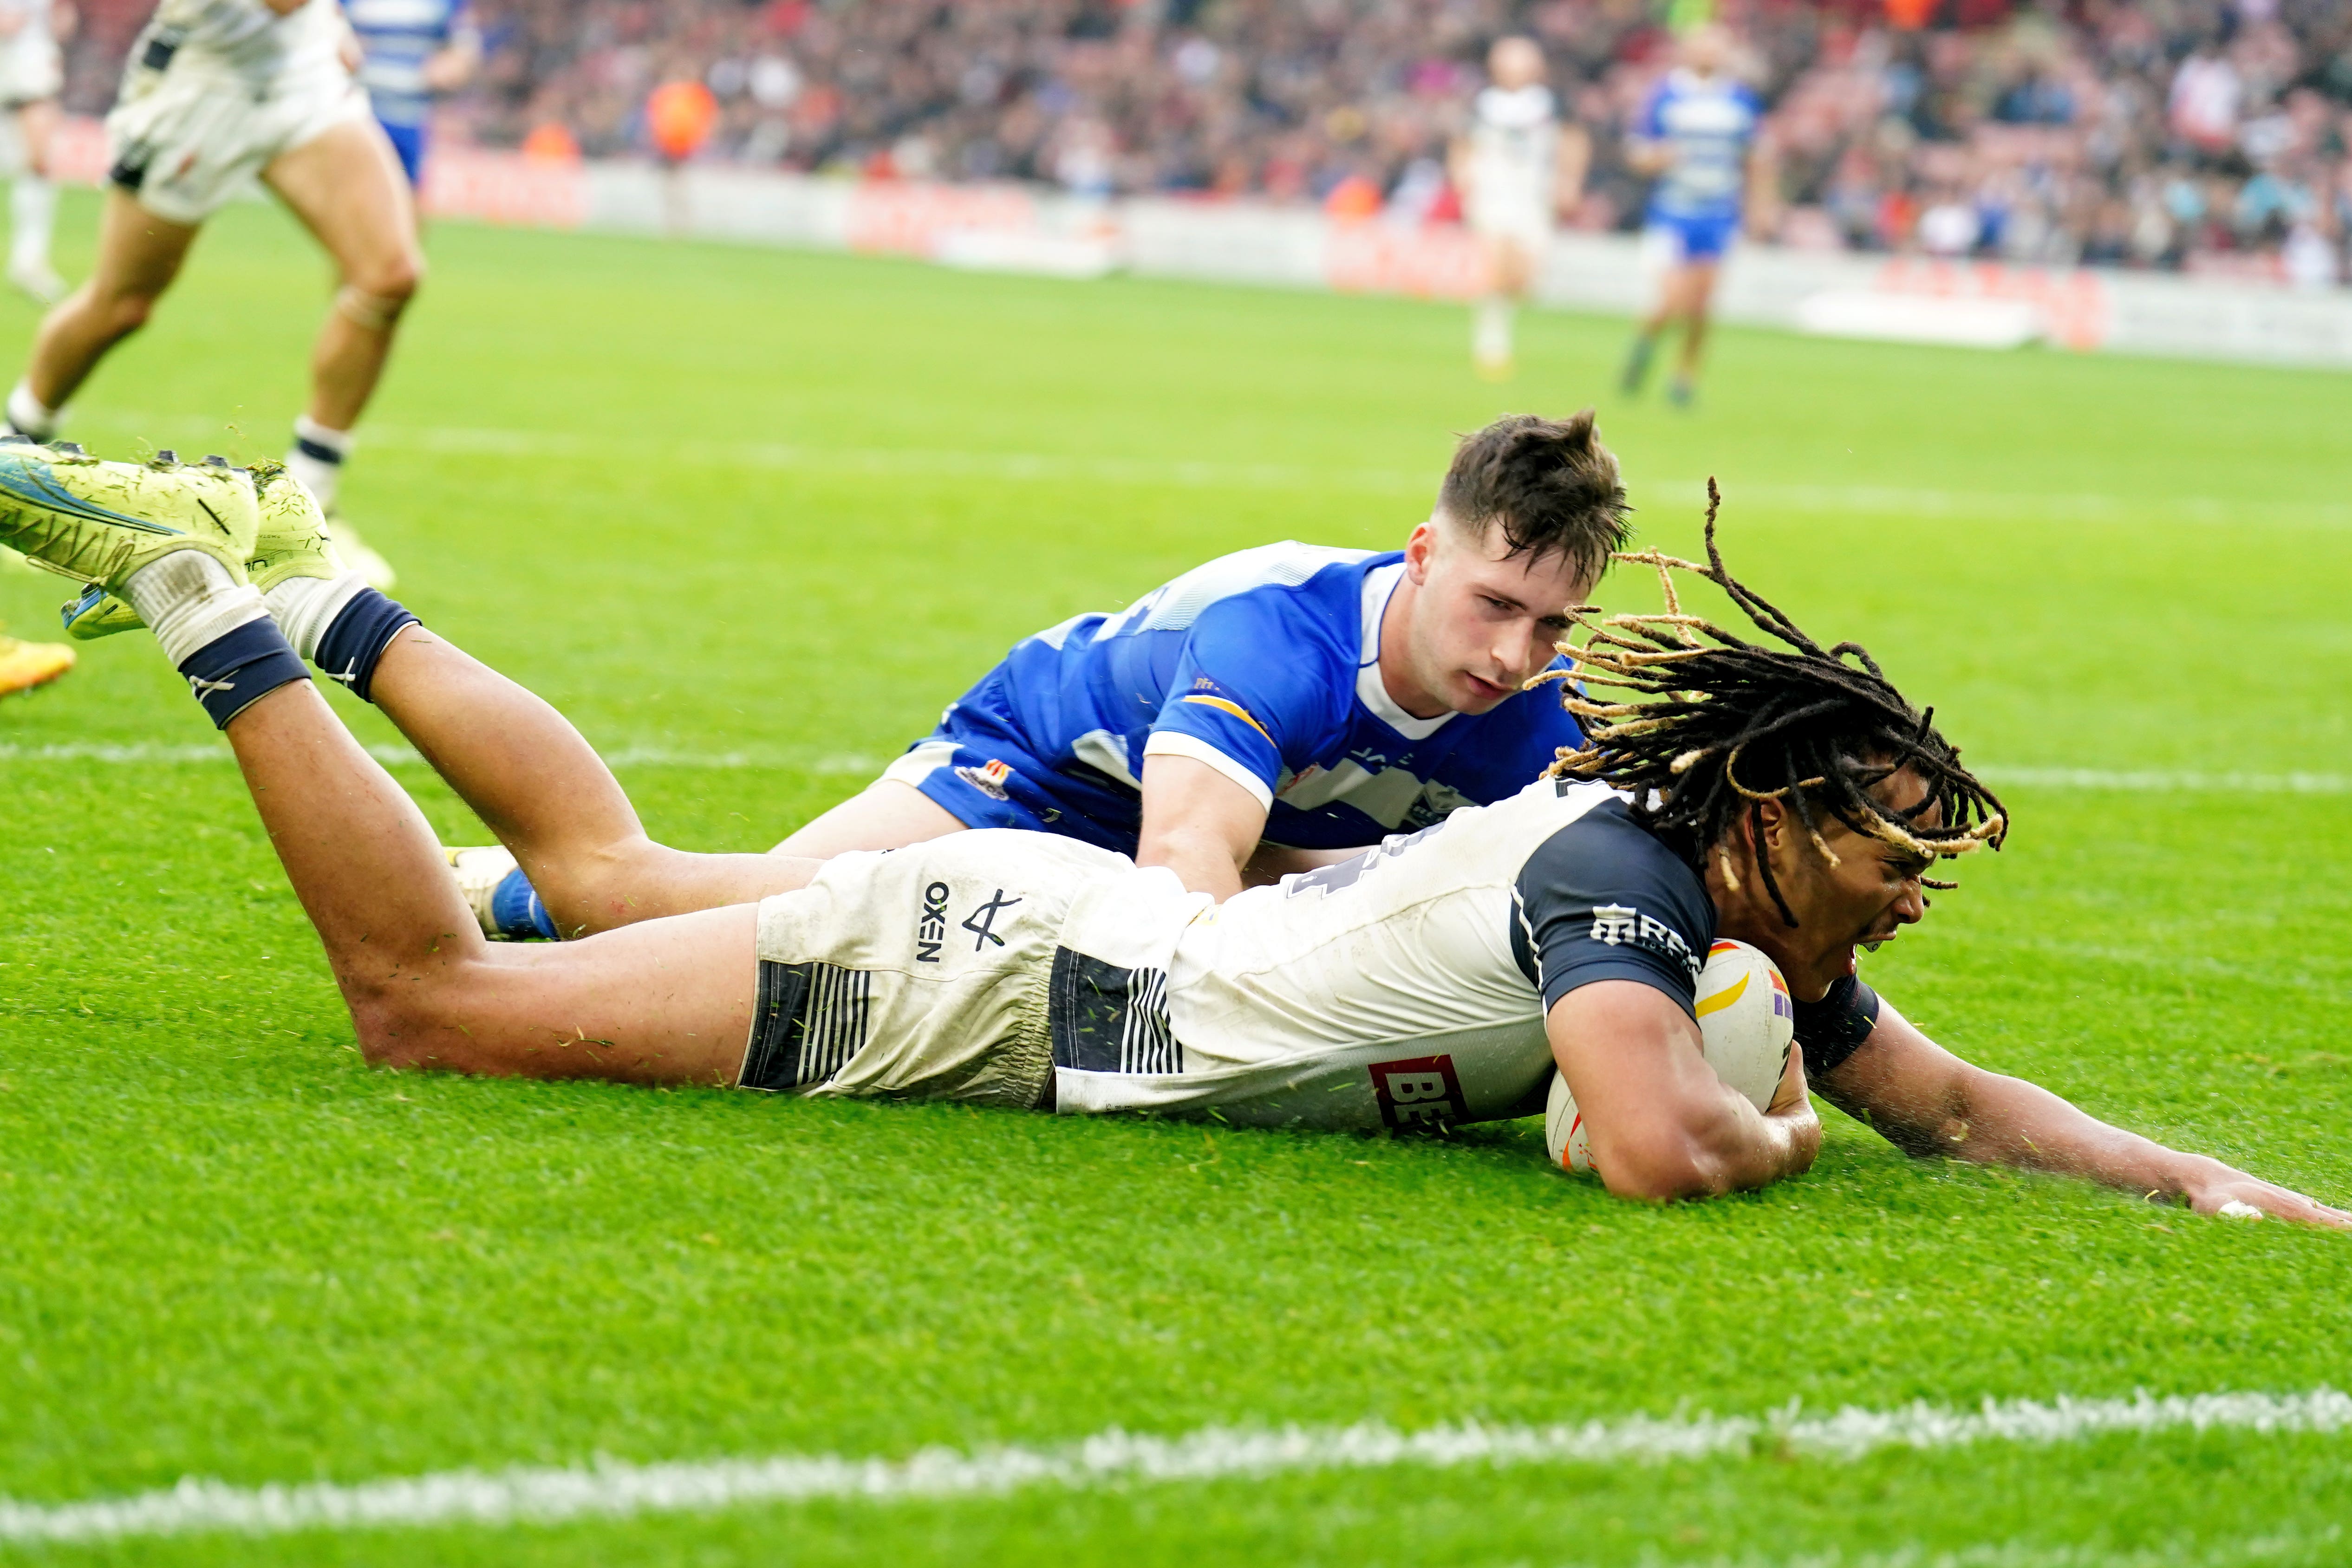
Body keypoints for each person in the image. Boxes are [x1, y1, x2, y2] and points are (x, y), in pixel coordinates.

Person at [2, 442, 2339, 1228]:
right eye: (1897, 840)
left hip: (1056, 946)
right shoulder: (1621, 875)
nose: (1918, 875)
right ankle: (217, 598)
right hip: (1014, 952)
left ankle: (272, 591)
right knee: (443, 1007)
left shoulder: (1695, 887)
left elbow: (1942, 1094)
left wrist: (2212, 1186)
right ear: (1774, 821)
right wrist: (1751, 1122)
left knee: (557, 925)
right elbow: (1646, 1149)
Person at [445, 410, 1632, 941]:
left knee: (1397, 883)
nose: (1507, 656)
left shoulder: (1540, 708)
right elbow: (1181, 874)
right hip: (1040, 767)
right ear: (1423, 553)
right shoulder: (1281, 633)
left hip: (1247, 817)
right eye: (1491, 605)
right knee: (777, 923)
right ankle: (508, 889)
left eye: (1548, 626)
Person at [0, 0, 412, 595]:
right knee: (122, 304)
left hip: (299, 70)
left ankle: (307, 506)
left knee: (388, 276)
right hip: (202, 84)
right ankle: (14, 456)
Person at [1619, 24, 1774, 408]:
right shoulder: (1666, 95)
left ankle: (1683, 376)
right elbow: (1638, 151)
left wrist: (1761, 206)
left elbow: (1755, 158)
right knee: (1672, 298)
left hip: (1718, 212)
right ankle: (1646, 342)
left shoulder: (1740, 100)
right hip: (1673, 211)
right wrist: (1656, 158)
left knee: (1702, 304)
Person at [1450, 36, 1588, 381]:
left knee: (1524, 278)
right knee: (1495, 264)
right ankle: (1492, 344)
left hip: (1533, 197)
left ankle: (1500, 324)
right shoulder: (1483, 103)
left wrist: (1569, 180)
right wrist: (1462, 177)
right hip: (1493, 193)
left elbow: (1574, 139)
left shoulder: (1550, 103)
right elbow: (1461, 142)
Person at [347, 0, 480, 189]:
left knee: (407, 193)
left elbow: (464, 46)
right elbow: (330, 30)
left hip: (412, 115)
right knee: (357, 189)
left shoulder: (446, 4)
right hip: (360, 113)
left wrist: (452, 64)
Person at [0, 0, 70, 303]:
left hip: (29, 59)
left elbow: (62, 13)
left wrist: (55, 36)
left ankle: (29, 261)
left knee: (40, 161)